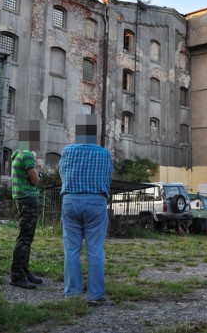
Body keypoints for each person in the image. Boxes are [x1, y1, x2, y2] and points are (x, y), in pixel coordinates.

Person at [59, 114, 114, 305]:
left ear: (77, 133)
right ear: (94, 134)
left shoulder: (67, 151)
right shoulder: (104, 153)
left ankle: (72, 294)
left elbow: (62, 174)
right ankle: (95, 296)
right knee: (95, 249)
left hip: (70, 200)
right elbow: (108, 178)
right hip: (96, 201)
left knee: (71, 249)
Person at [10, 148, 42, 289]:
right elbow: (35, 180)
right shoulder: (27, 155)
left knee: (25, 237)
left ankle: (23, 272)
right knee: (25, 238)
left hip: (22, 198)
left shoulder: (17, 154)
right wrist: (37, 176)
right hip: (28, 198)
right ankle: (17, 276)